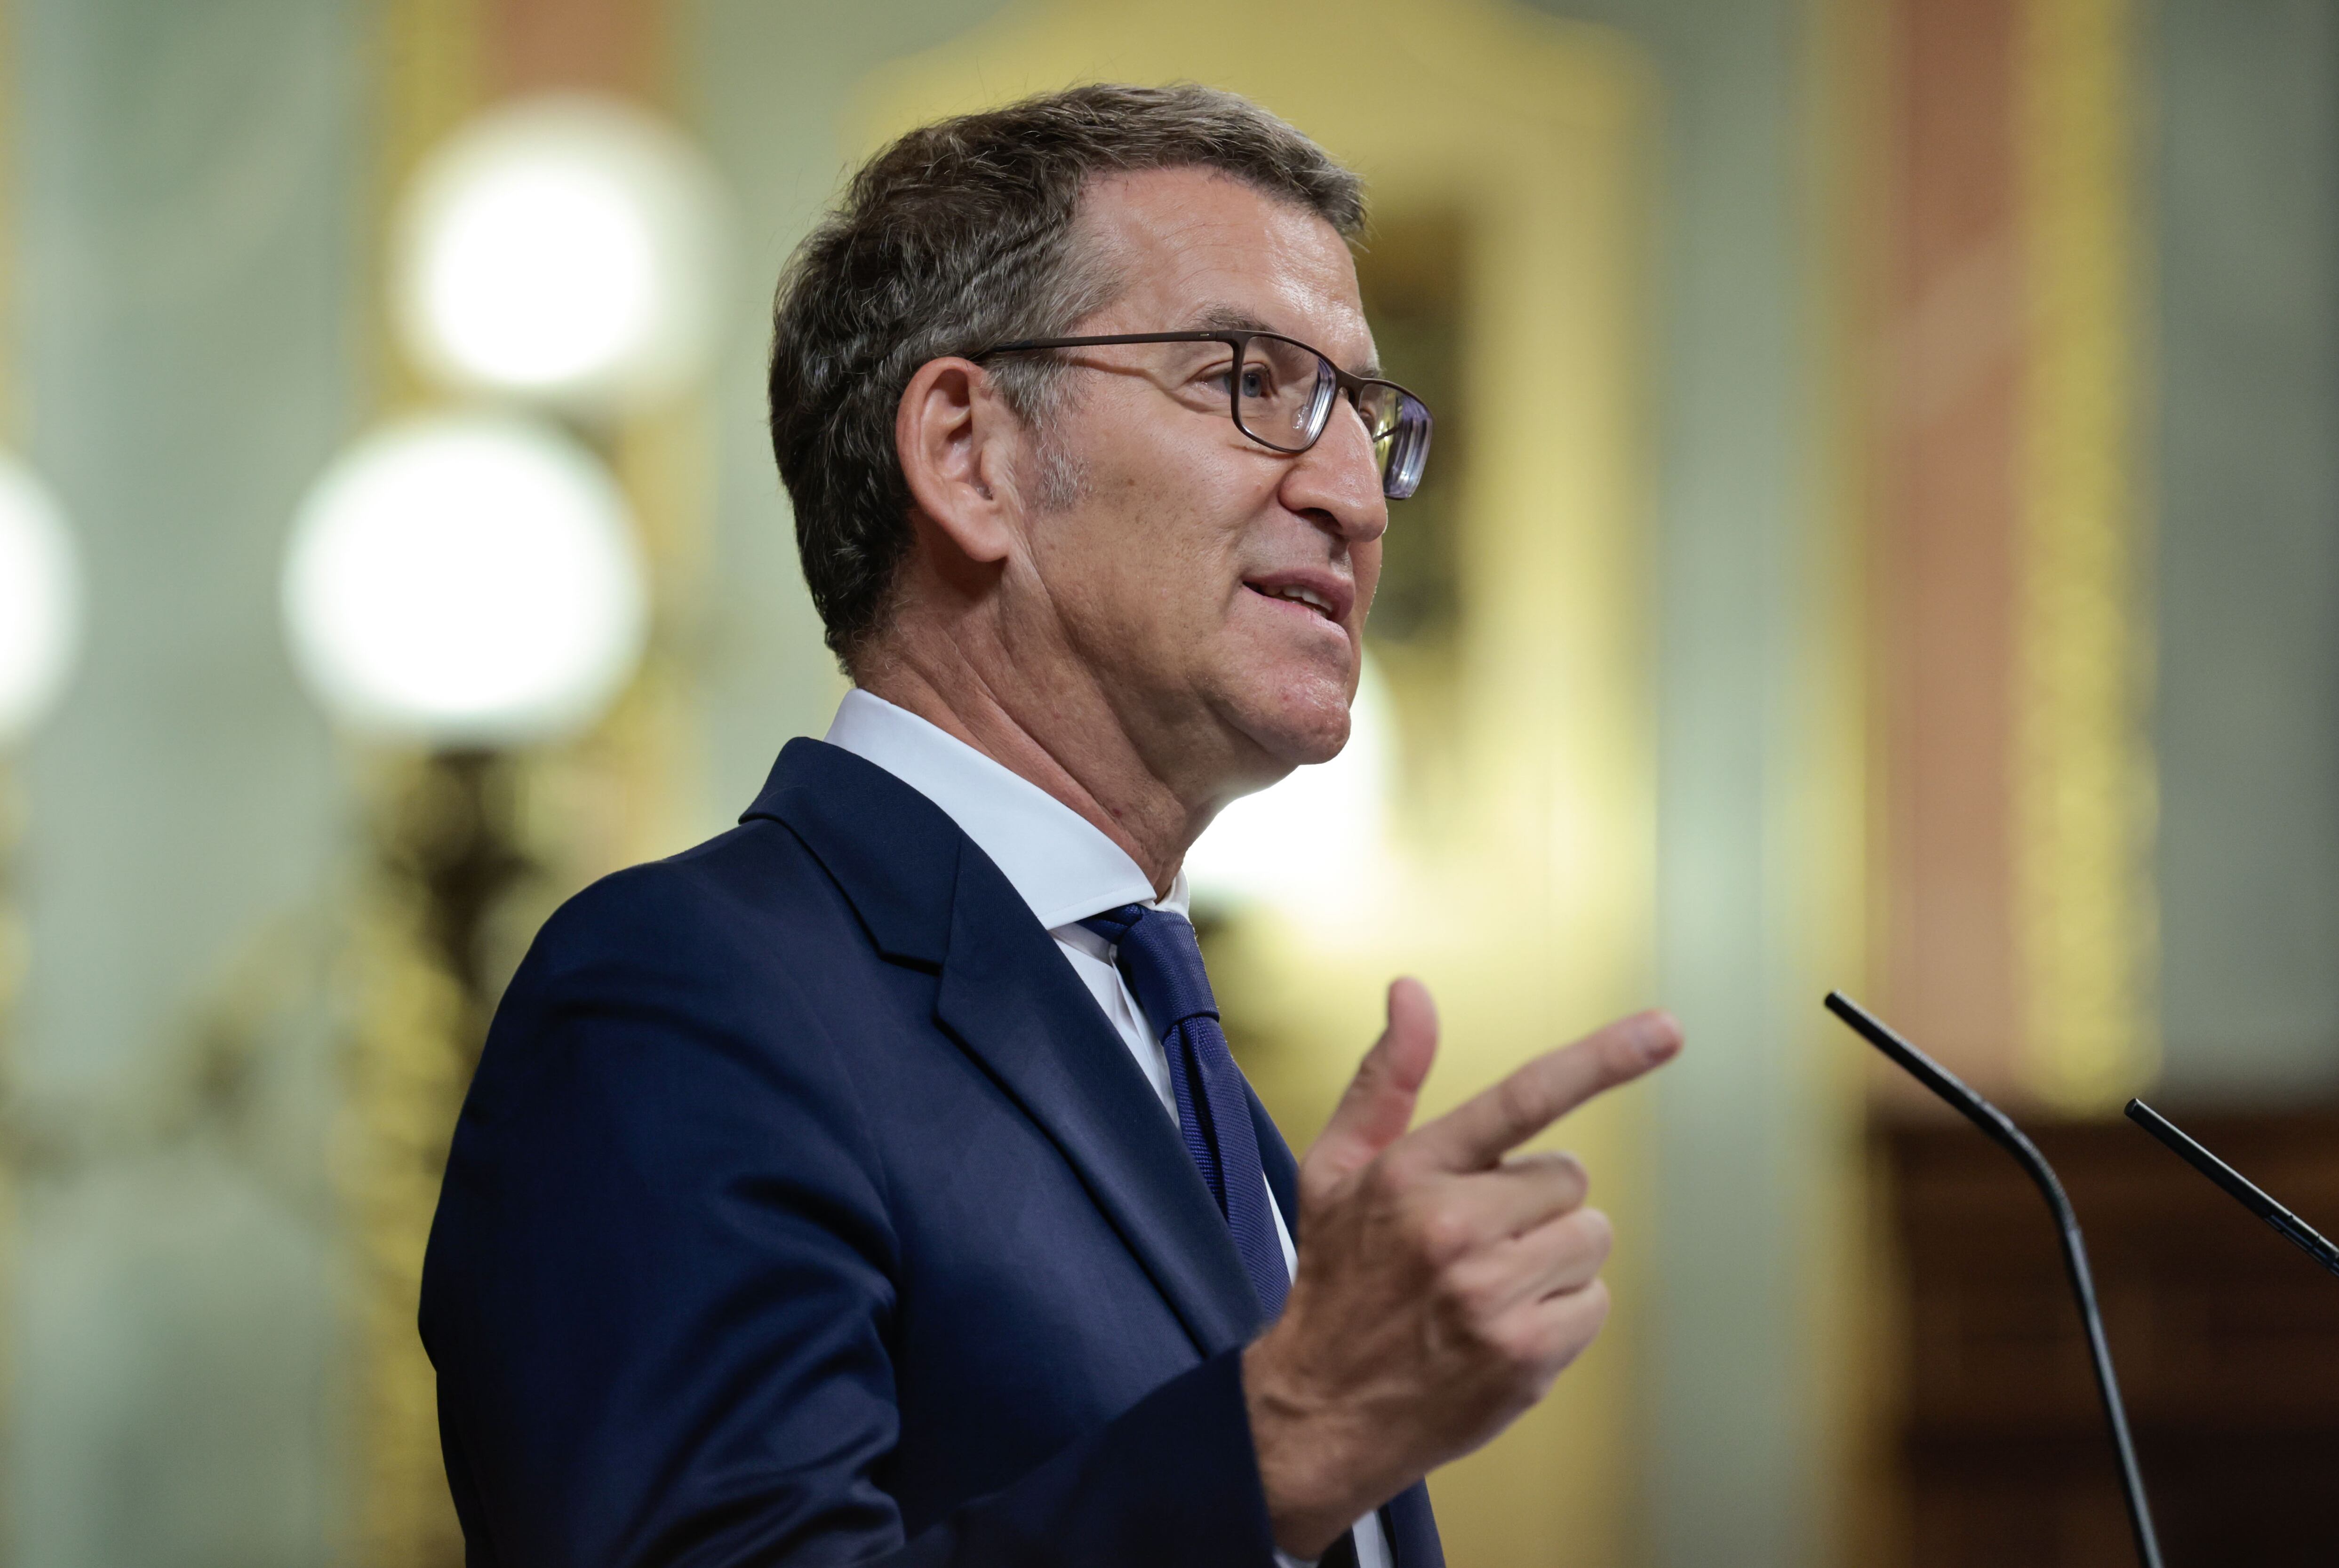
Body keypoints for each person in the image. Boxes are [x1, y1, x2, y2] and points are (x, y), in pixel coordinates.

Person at [420, 82, 1682, 1568]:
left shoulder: (1190, 1069)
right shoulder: (680, 998)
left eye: (1368, 415)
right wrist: (1282, 1439)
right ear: (969, 454)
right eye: (1256, 383)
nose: (1356, 492)